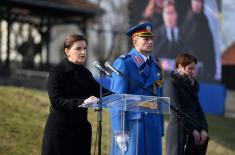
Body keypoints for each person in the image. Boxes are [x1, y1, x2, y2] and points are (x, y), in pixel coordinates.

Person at [41, 34, 110, 155]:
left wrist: (121, 96)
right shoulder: (56, 73)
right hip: (60, 132)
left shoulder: (85, 74)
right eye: (78, 48)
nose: (83, 52)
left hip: (80, 133)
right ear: (67, 51)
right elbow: (56, 101)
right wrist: (82, 102)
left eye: (85, 48)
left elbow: (102, 92)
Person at [109, 22, 164, 155]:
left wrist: (160, 127)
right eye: (145, 39)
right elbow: (117, 99)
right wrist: (120, 130)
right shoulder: (124, 63)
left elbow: (159, 99)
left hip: (152, 126)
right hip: (133, 127)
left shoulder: (156, 66)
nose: (150, 42)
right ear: (135, 41)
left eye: (151, 38)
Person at [164, 53, 209, 155]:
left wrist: (204, 128)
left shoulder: (192, 84)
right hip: (178, 134)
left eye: (195, 69)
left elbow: (198, 109)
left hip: (195, 136)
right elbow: (176, 110)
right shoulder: (170, 83)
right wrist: (192, 129)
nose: (194, 72)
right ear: (180, 66)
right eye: (190, 69)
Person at [182, 0, 216, 82]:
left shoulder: (204, 20)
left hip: (202, 67)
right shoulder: (187, 20)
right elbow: (184, 44)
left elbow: (209, 46)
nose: (197, 4)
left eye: (199, 2)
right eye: (195, 1)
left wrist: (212, 69)